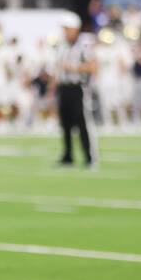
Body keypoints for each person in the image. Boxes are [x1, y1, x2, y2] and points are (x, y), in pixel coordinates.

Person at [53, 12, 97, 168]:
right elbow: (57, 69)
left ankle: (90, 157)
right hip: (64, 88)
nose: (64, 32)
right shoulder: (62, 46)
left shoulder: (84, 46)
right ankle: (68, 156)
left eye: (66, 29)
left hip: (78, 88)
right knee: (65, 124)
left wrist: (73, 67)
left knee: (82, 123)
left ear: (74, 29)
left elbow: (93, 67)